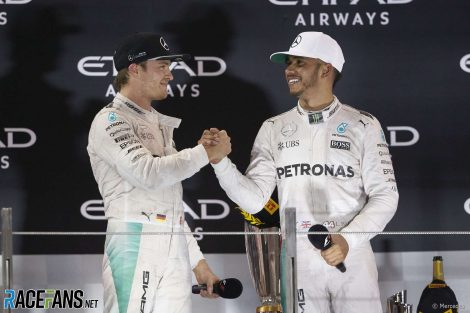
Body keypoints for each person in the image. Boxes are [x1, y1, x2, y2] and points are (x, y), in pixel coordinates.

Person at [204, 31, 398, 312]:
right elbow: (255, 201)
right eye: (288, 63)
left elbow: (386, 196)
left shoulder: (363, 125)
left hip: (352, 251)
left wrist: (348, 239)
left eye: (299, 63)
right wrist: (221, 163)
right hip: (296, 254)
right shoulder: (273, 128)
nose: (289, 70)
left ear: (326, 68)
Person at [87, 32, 231, 313]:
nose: (170, 75)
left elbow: (172, 208)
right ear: (134, 69)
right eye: (162, 66)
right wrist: (204, 153)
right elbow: (147, 174)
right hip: (133, 239)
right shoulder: (110, 120)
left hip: (173, 247)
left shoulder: (157, 124)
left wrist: (198, 264)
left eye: (170, 67)